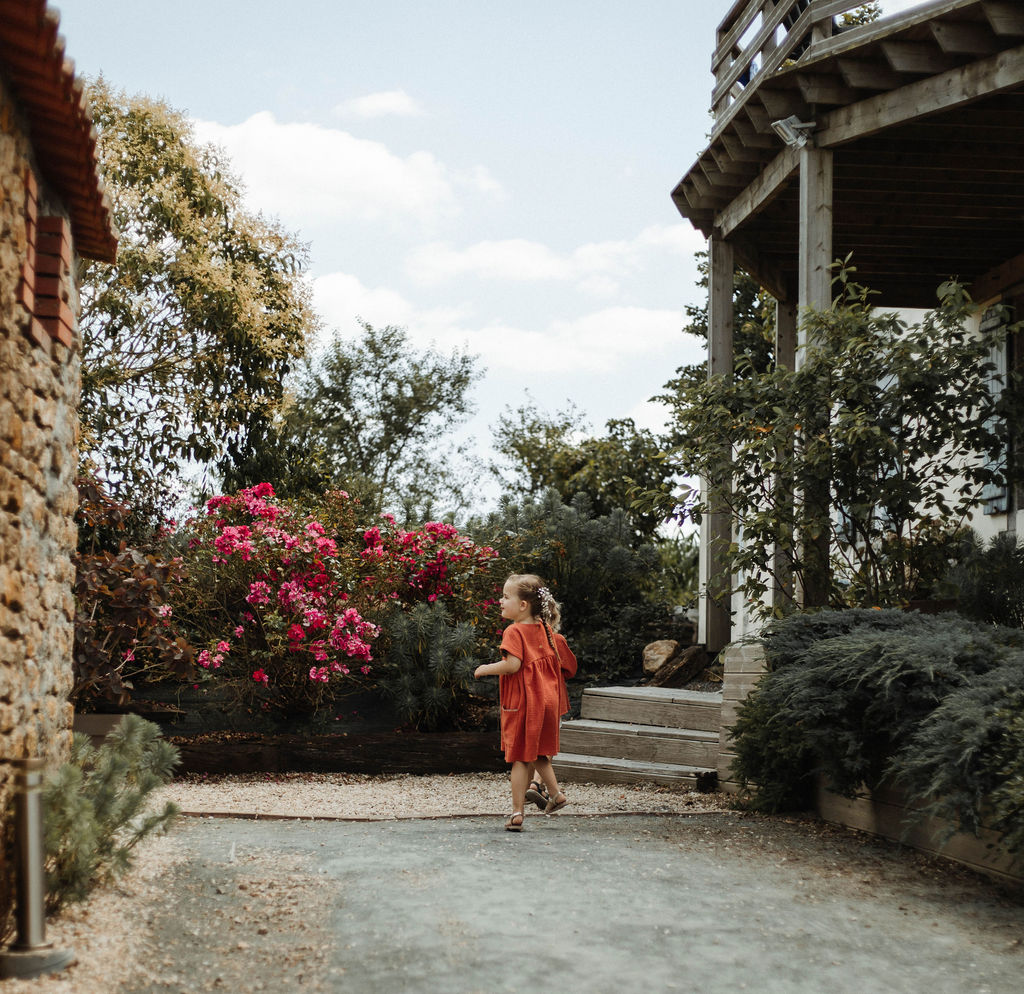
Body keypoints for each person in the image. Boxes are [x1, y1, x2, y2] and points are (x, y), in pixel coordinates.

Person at [474, 573, 578, 831]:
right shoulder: (547, 631)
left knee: (520, 758)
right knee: (540, 752)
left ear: (523, 605)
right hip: (548, 703)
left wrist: (484, 668)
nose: (500, 601)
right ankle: (555, 794)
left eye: (506, 597)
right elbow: (569, 667)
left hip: (524, 704)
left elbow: (512, 665)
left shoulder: (514, 631)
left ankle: (517, 812)